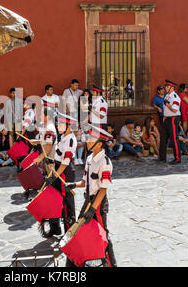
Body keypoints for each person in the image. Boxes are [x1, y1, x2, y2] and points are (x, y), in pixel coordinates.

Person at [65, 124, 117, 267]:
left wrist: (93, 209)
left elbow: (103, 190)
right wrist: (74, 185)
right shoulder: (89, 159)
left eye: (90, 139)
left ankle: (112, 264)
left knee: (103, 235)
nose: (87, 141)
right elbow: (84, 182)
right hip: (88, 201)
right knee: (77, 232)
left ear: (99, 144)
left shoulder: (105, 162)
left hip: (98, 205)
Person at [43, 113, 78, 238]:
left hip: (65, 173)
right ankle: (55, 227)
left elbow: (65, 162)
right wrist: (51, 161)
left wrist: (54, 175)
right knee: (54, 199)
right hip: (58, 170)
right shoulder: (63, 136)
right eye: (58, 123)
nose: (58, 126)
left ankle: (69, 233)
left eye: (61, 124)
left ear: (69, 126)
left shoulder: (70, 140)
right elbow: (59, 156)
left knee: (66, 204)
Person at [158, 79, 181, 164]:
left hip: (173, 118)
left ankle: (177, 158)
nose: (165, 88)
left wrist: (168, 105)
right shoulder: (167, 96)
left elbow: (175, 110)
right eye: (166, 86)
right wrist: (164, 115)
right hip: (167, 118)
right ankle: (162, 157)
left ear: (172, 88)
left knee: (174, 139)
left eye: (167, 86)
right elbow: (166, 108)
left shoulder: (175, 97)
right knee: (163, 138)